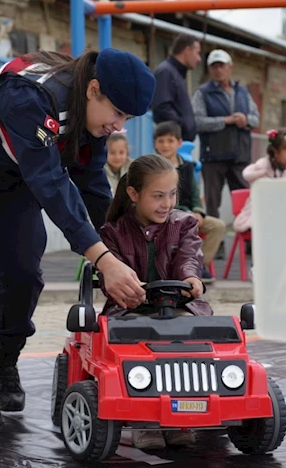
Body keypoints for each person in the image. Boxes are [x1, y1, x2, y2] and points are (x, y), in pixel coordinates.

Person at [0, 48, 155, 436]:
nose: (119, 126)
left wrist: (126, 250)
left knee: (24, 270)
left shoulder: (91, 119)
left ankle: (6, 361)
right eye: (118, 113)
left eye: (127, 119)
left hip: (10, 172)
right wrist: (103, 261)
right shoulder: (30, 97)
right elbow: (52, 185)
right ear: (94, 89)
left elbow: (92, 186)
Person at [98, 153, 211, 450]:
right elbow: (111, 279)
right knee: (138, 344)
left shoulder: (183, 224)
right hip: (129, 309)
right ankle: (144, 419)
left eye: (172, 194)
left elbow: (188, 258)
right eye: (158, 196)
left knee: (190, 338)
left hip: (178, 307)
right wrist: (129, 291)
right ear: (134, 194)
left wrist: (191, 278)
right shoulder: (112, 233)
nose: (167, 203)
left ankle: (180, 417)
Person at [192, 49, 260, 221]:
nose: (218, 70)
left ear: (230, 67)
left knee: (245, 201)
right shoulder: (202, 93)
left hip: (240, 156)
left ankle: (245, 235)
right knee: (212, 204)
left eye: (221, 65)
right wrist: (226, 120)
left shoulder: (242, 92)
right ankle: (215, 237)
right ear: (209, 69)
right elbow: (197, 122)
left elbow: (256, 119)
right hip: (213, 157)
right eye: (214, 66)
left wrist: (245, 120)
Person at [153, 121, 225, 283]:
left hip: (189, 213)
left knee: (217, 226)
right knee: (185, 223)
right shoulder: (152, 168)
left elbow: (194, 192)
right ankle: (181, 267)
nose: (165, 145)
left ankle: (198, 266)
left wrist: (198, 211)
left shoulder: (187, 166)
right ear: (155, 143)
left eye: (170, 141)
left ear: (179, 143)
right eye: (161, 141)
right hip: (163, 214)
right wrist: (185, 212)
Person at [233, 128, 286, 233]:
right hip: (262, 211)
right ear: (276, 153)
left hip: (285, 213)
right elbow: (274, 196)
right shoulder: (263, 167)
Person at [151, 33, 201, 142]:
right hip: (172, 144)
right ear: (187, 50)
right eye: (197, 53)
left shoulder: (176, 73)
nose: (199, 59)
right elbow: (162, 108)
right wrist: (183, 128)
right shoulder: (166, 72)